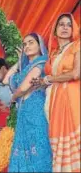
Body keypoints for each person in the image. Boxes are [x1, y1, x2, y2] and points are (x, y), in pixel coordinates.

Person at [31, 13, 80, 172]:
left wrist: (49, 79)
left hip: (71, 98)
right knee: (56, 144)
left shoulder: (77, 46)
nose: (65, 28)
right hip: (53, 101)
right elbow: (50, 79)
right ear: (55, 29)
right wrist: (42, 82)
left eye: (69, 25)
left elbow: (76, 74)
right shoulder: (52, 54)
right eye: (61, 24)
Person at [5, 33, 52, 172]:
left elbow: (24, 87)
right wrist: (20, 61)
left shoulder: (41, 62)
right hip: (24, 113)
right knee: (24, 149)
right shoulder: (26, 67)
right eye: (25, 44)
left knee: (38, 146)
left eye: (31, 42)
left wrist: (13, 98)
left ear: (40, 45)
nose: (27, 46)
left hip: (36, 109)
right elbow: (6, 80)